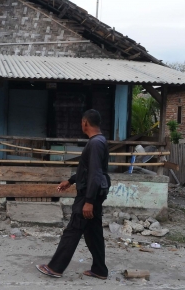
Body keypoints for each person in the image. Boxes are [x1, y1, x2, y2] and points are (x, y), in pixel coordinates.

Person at [36, 109, 111, 280]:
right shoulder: (98, 142)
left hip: (88, 196)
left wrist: (89, 201)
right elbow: (88, 171)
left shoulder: (95, 143)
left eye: (81, 122)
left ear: (85, 123)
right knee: (94, 233)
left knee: (73, 230)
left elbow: (95, 174)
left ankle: (55, 268)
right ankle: (100, 270)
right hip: (92, 194)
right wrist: (70, 181)